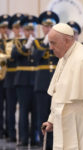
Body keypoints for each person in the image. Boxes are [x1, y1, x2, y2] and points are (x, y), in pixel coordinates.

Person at [11, 15, 39, 146]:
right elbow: (14, 56)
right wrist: (26, 46)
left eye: (32, 29)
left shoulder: (39, 43)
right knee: (23, 111)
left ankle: (35, 137)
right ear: (24, 30)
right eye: (27, 30)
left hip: (37, 80)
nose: (30, 32)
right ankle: (23, 138)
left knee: (36, 111)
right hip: (22, 80)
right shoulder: (18, 42)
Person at [33, 10, 59, 150]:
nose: (48, 29)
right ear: (42, 28)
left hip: (57, 85)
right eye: (46, 26)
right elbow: (35, 57)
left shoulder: (59, 43)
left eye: (51, 26)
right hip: (42, 84)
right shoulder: (37, 42)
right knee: (42, 114)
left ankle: (55, 144)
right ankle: (43, 143)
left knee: (56, 115)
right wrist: (44, 43)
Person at [3, 13, 24, 143]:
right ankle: (11, 134)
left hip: (23, 78)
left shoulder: (29, 42)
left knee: (24, 108)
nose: (18, 30)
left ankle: (25, 135)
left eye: (20, 27)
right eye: (15, 28)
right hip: (10, 77)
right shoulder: (8, 43)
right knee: (10, 108)